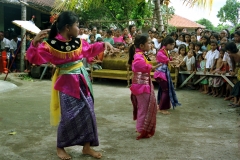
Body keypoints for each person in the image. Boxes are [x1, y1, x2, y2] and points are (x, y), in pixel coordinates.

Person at [26, 11, 117, 160]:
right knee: (69, 116)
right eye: (77, 25)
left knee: (89, 112)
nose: (79, 28)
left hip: (83, 81)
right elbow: (35, 58)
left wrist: (104, 44)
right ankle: (60, 147)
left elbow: (90, 50)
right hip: (67, 85)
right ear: (68, 27)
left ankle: (87, 147)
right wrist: (34, 43)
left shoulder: (78, 42)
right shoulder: (50, 45)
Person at [128, 34, 160, 140]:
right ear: (142, 45)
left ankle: (141, 127)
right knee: (143, 107)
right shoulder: (138, 55)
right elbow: (137, 65)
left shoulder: (141, 54)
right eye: (149, 43)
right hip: (141, 85)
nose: (150, 44)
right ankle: (141, 128)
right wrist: (151, 67)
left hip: (142, 84)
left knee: (144, 107)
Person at [154, 36, 181, 115]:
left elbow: (169, 59)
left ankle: (161, 105)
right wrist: (175, 61)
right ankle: (162, 108)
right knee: (165, 90)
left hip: (162, 73)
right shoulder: (160, 52)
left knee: (164, 90)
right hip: (161, 74)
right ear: (167, 44)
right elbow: (167, 61)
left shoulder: (165, 51)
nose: (173, 46)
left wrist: (175, 60)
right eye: (172, 44)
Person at [225, 42, 240, 107]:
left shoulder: (237, 54)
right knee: (236, 87)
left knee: (238, 87)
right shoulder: (232, 55)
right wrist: (233, 71)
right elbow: (233, 64)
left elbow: (237, 65)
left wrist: (234, 72)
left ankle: (238, 102)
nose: (227, 51)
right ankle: (235, 101)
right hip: (238, 72)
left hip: (239, 72)